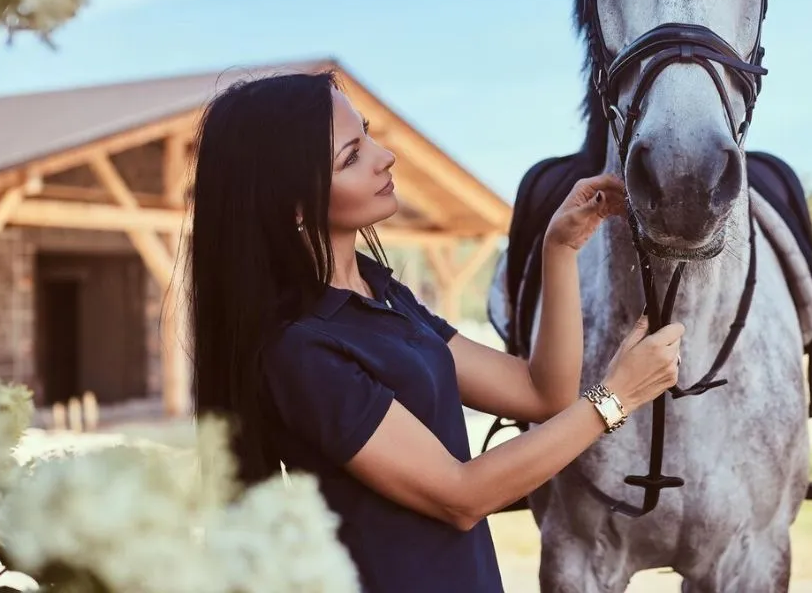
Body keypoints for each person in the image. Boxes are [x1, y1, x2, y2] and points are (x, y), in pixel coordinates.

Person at [188, 71, 684, 593]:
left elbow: (541, 393)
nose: (385, 156)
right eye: (351, 156)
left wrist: (558, 250)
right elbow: (460, 496)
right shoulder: (303, 350)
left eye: (368, 133)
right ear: (293, 206)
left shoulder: (380, 295)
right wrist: (616, 397)